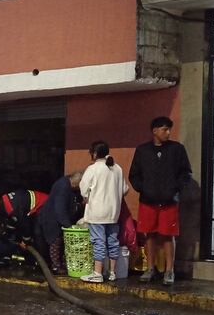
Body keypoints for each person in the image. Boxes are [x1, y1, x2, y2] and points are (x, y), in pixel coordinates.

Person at [129, 116, 192, 285]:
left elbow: (185, 173)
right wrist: (143, 188)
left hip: (169, 201)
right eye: (165, 129)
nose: (168, 133)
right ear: (154, 131)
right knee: (149, 235)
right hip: (147, 201)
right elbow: (134, 174)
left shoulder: (177, 149)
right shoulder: (142, 150)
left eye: (169, 129)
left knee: (167, 235)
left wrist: (175, 189)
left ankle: (169, 270)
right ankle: (150, 269)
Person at [78, 141, 128, 283]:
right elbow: (125, 190)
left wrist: (89, 196)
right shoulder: (117, 168)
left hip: (97, 213)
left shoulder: (93, 169)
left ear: (94, 154)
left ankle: (97, 273)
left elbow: (83, 190)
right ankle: (112, 272)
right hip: (113, 213)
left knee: (98, 242)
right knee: (113, 241)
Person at [37, 171, 83, 274]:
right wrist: (68, 225)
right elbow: (60, 208)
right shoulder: (63, 187)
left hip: (57, 219)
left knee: (60, 243)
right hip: (52, 220)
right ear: (77, 182)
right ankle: (56, 266)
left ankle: (59, 264)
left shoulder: (68, 188)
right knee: (55, 242)